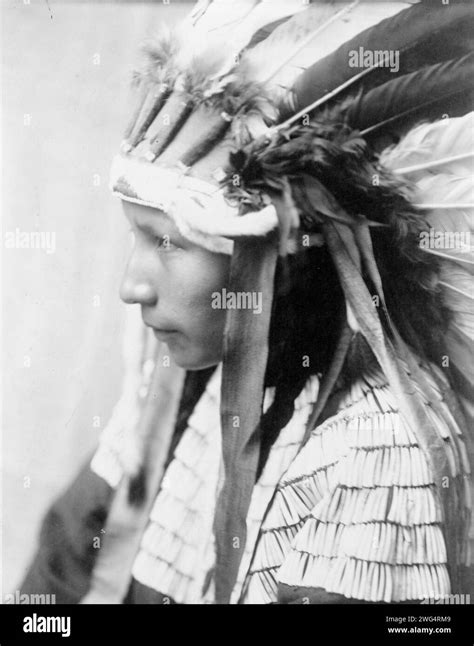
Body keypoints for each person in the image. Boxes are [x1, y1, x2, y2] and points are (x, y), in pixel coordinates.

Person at [21, 0, 474, 604]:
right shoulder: (184, 384)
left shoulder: (372, 452)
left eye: (168, 242)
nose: (133, 287)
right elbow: (63, 570)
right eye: (138, 236)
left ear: (275, 262)